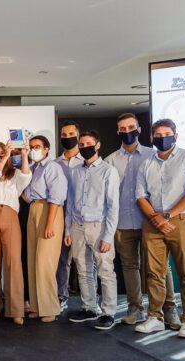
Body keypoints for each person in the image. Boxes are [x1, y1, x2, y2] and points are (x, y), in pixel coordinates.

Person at [106, 113, 180, 327]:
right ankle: (135, 308)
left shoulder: (152, 156)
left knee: (160, 267)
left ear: (139, 130)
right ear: (118, 132)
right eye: (123, 129)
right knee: (129, 266)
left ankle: (169, 308)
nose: (127, 132)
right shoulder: (110, 160)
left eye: (131, 127)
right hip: (122, 222)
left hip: (151, 221)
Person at [134, 118, 185, 339]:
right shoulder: (146, 163)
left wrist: (167, 216)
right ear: (151, 138)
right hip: (153, 221)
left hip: (182, 220)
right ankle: (155, 317)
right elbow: (140, 195)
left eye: (167, 134)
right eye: (158, 135)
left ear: (176, 136)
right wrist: (155, 218)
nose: (162, 138)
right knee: (154, 272)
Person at [64, 130, 120, 331]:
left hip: (99, 226)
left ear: (97, 145)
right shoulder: (75, 171)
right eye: (81, 144)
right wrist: (67, 230)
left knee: (105, 271)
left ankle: (108, 312)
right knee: (83, 270)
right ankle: (89, 308)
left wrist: (108, 235)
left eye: (88, 143)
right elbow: (70, 202)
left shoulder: (108, 171)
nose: (84, 147)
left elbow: (113, 206)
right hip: (77, 226)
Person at [0, 140, 31, 325]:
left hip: (10, 215)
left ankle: (15, 309)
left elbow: (26, 177)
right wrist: (5, 157)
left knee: (13, 262)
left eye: (2, 153)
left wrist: (24, 155)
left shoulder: (15, 174)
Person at [22, 135, 67, 323]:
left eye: (38, 146)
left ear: (47, 149)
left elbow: (57, 196)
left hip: (50, 210)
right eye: (31, 147)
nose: (34, 150)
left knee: (45, 262)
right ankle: (36, 306)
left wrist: (49, 223)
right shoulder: (32, 169)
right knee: (33, 260)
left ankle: (50, 308)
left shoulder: (52, 167)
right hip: (33, 209)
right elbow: (25, 194)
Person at [55, 120, 85, 311]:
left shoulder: (86, 161)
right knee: (62, 261)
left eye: (71, 134)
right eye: (64, 135)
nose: (67, 138)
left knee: (85, 262)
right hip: (60, 216)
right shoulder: (54, 164)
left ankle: (90, 302)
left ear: (78, 136)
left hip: (82, 217)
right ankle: (61, 296)